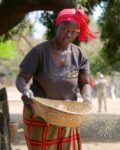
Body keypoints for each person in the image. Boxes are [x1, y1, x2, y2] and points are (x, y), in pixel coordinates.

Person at [16, 8, 97, 150]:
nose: (69, 35)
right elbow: (21, 78)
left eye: (74, 32)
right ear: (57, 26)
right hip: (39, 114)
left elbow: (84, 83)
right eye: (65, 29)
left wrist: (87, 98)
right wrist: (25, 91)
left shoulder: (79, 55)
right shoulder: (39, 52)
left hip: (66, 115)